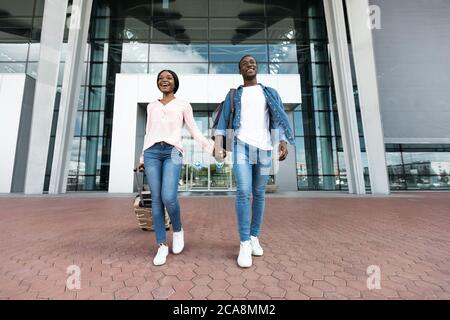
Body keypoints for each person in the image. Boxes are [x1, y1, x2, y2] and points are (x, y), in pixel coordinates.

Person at [213, 55, 295, 268]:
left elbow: (278, 119)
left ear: (256, 68)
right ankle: (244, 243)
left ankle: (254, 236)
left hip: (265, 149)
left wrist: (283, 141)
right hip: (242, 145)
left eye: (253, 62)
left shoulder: (270, 92)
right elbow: (222, 123)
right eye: (245, 63)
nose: (250, 64)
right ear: (240, 70)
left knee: (259, 194)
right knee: (243, 191)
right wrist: (219, 144)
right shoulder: (234, 95)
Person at [137, 70, 214, 266]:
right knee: (156, 199)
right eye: (161, 78)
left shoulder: (183, 105)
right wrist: (142, 156)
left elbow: (194, 130)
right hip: (152, 153)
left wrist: (211, 148)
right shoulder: (151, 106)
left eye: (168, 78)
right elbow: (148, 133)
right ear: (158, 83)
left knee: (168, 197)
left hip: (173, 152)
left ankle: (178, 230)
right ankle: (161, 245)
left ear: (175, 83)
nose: (164, 80)